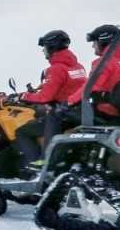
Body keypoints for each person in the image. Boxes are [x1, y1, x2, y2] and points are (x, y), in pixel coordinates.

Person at [12, 30, 87, 171]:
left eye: (44, 47)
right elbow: (70, 86)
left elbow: (44, 98)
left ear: (52, 47)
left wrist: (23, 97)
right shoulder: (78, 66)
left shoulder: (55, 69)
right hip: (78, 111)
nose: (43, 51)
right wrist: (42, 87)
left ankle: (37, 163)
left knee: (22, 131)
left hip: (62, 114)